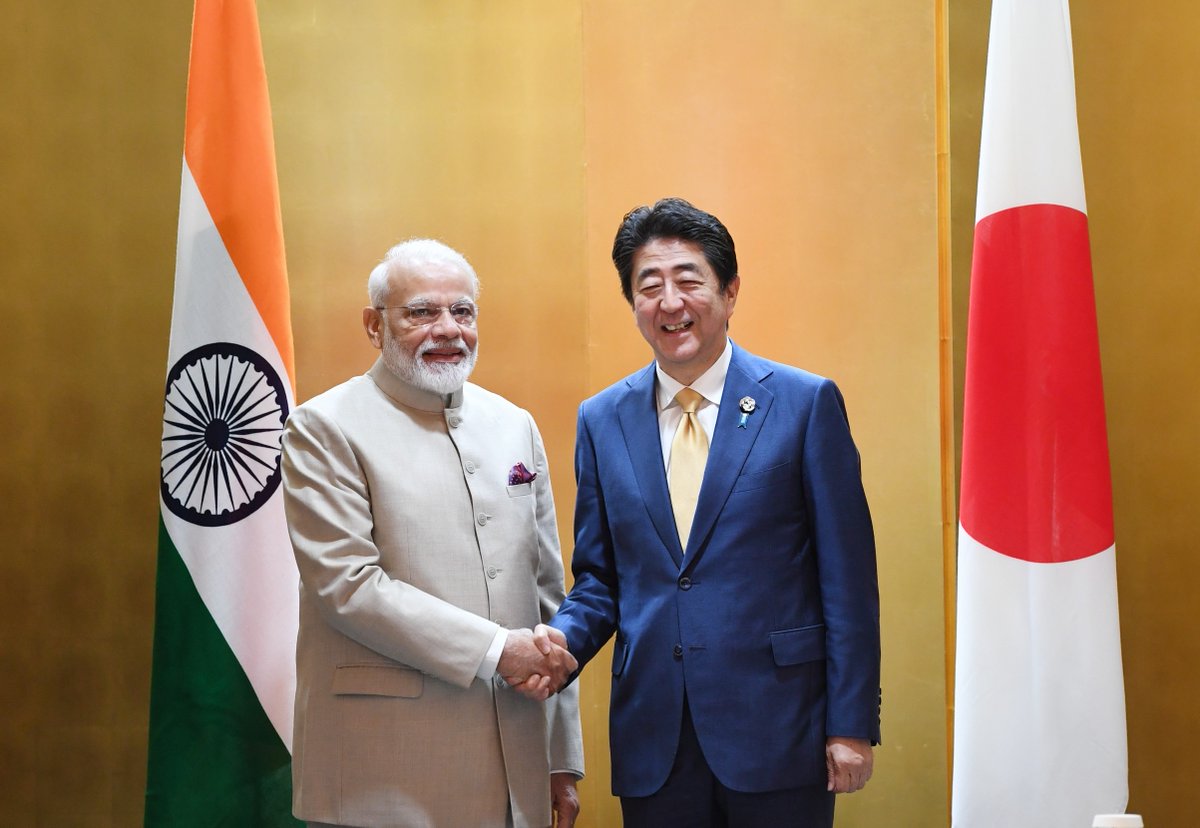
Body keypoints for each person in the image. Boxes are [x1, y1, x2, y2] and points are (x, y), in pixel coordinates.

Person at [543, 198, 880, 827]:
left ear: (729, 292)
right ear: (635, 306)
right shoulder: (601, 419)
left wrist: (852, 724)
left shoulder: (804, 405)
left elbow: (849, 582)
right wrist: (563, 643)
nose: (670, 302)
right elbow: (600, 578)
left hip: (781, 730)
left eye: (689, 280)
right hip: (654, 738)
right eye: (649, 286)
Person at [281, 238, 584, 828]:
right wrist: (499, 651)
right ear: (375, 325)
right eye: (421, 312)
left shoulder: (512, 425)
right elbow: (349, 587)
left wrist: (560, 759)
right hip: (382, 774)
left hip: (514, 773)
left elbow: (550, 595)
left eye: (462, 311)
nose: (448, 328)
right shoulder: (323, 428)